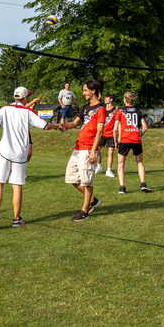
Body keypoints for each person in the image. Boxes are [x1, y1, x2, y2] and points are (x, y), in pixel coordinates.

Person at [0, 87, 63, 229]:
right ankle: (16, 219)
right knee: (17, 187)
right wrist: (57, 125)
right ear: (26, 98)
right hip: (20, 155)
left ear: (15, 97)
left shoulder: (4, 109)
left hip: (3, 152)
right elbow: (45, 126)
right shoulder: (28, 112)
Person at [61, 79, 106, 221]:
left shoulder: (101, 109)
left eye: (85, 90)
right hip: (78, 147)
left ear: (93, 91)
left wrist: (93, 151)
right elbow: (74, 123)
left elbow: (99, 132)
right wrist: (59, 125)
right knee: (71, 177)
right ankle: (92, 200)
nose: (83, 93)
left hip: (88, 149)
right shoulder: (86, 107)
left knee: (86, 181)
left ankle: (85, 211)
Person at [112, 92, 152, 194]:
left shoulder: (120, 111)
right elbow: (145, 127)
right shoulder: (138, 111)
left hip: (124, 139)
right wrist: (139, 135)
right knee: (140, 162)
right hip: (136, 139)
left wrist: (115, 141)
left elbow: (115, 129)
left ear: (125, 100)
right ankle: (143, 184)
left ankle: (122, 187)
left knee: (121, 163)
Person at [98, 93, 118, 177]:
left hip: (111, 135)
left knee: (110, 152)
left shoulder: (115, 111)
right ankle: (99, 166)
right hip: (102, 134)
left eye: (107, 98)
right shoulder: (102, 110)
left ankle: (108, 170)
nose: (105, 99)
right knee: (97, 150)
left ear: (111, 99)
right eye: (105, 97)